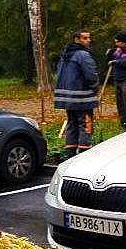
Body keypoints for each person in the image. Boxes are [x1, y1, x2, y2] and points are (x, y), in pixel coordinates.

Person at [54, 30, 99, 159]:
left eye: (89, 38)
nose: (88, 40)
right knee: (86, 125)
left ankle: (70, 155)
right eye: (85, 38)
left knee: (72, 125)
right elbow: (91, 74)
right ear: (77, 39)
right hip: (82, 98)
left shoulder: (65, 55)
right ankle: (84, 155)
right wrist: (95, 87)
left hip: (67, 99)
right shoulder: (83, 55)